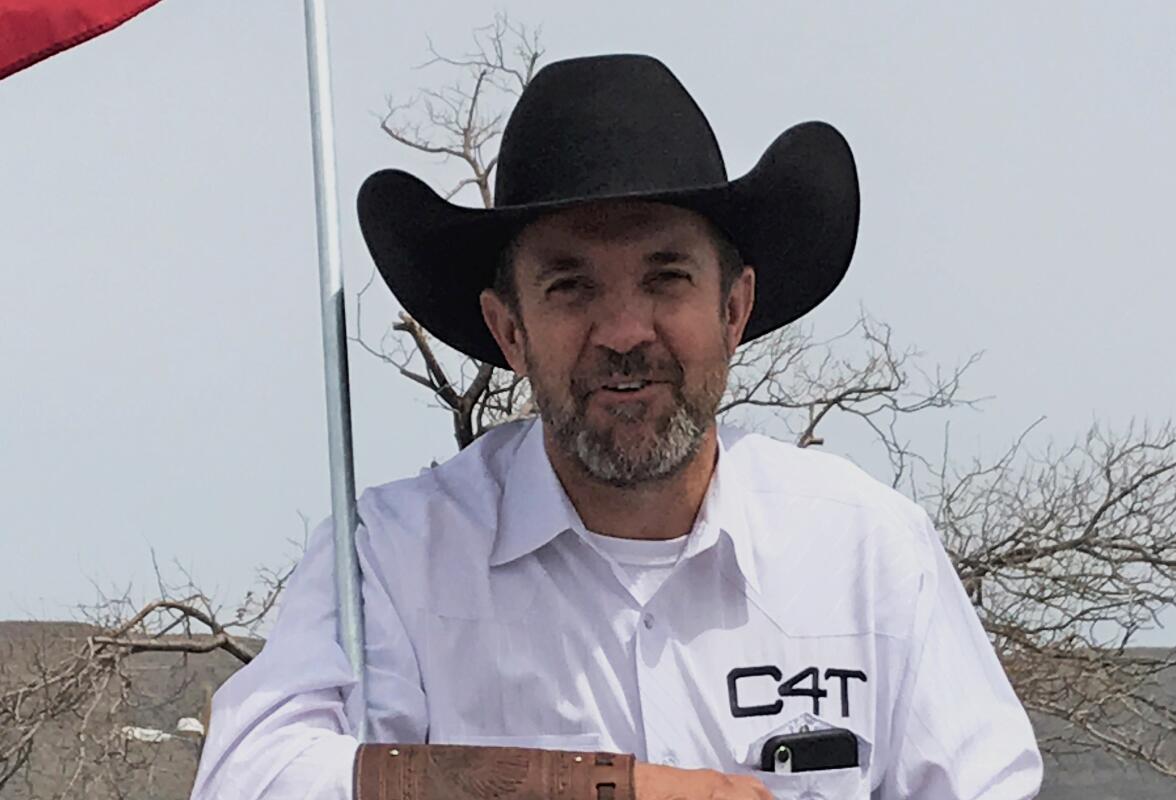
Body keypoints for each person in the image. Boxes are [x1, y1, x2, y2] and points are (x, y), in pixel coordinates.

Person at [190, 54, 1042, 800]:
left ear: (734, 308)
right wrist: (619, 791)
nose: (625, 330)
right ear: (509, 332)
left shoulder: (871, 553)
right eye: (571, 287)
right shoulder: (392, 555)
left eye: (665, 277)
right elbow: (252, 778)